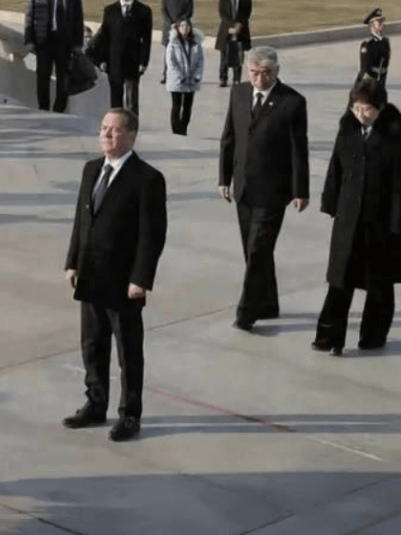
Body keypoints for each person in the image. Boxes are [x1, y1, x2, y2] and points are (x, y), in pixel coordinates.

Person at [63, 108, 167, 443]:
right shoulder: (91, 169)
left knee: (128, 350)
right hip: (91, 276)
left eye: (115, 129)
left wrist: (141, 279)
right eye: (104, 127)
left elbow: (152, 236)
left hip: (124, 282)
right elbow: (82, 221)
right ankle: (95, 404)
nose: (107, 134)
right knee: (92, 345)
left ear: (132, 135)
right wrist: (72, 262)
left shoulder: (147, 179)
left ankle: (130, 414)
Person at [218, 46, 310, 332]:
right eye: (254, 72)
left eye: (265, 73)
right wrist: (224, 178)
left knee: (258, 250)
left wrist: (300, 189)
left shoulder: (292, 102)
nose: (258, 78)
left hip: (273, 190)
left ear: (277, 72)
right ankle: (268, 302)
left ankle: (246, 314)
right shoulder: (239, 93)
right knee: (253, 250)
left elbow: (299, 149)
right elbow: (228, 138)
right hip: (243, 188)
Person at [315, 78, 400, 355]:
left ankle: (373, 336)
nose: (361, 114)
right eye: (356, 107)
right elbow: (335, 169)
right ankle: (329, 336)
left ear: (380, 107)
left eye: (367, 109)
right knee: (339, 280)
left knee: (379, 283)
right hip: (348, 218)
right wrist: (331, 202)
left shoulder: (395, 134)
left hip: (381, 222)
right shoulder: (348, 129)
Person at [23, 0, 84, 113]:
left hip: (64, 40)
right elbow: (30, 14)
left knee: (63, 80)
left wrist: (78, 42)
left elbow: (78, 16)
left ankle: (59, 111)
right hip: (43, 40)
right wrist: (29, 39)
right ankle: (43, 109)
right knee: (42, 78)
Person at [91, 0, 152, 115]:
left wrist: (144, 61)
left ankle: (132, 128)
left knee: (132, 101)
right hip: (114, 61)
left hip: (133, 61)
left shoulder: (143, 11)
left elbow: (146, 39)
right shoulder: (110, 11)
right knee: (115, 99)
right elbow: (105, 37)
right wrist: (103, 59)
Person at [165, 18, 204, 135]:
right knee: (176, 105)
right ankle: (175, 129)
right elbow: (170, 62)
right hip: (177, 80)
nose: (185, 28)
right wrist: (179, 76)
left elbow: (200, 61)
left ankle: (183, 128)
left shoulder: (196, 43)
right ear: (178, 28)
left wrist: (196, 75)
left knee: (187, 106)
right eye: (182, 26)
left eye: (187, 26)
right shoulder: (173, 43)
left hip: (191, 79)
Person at [217, 0, 253, 88]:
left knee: (238, 55)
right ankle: (223, 79)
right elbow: (222, 14)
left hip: (241, 30)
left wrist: (238, 26)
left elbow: (246, 14)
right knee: (224, 56)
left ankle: (237, 79)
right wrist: (231, 26)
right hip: (226, 30)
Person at [159, 0, 194, 84]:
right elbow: (163, 11)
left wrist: (179, 24)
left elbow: (189, 13)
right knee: (168, 54)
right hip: (169, 29)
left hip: (182, 30)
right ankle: (166, 75)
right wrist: (171, 24)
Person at [358, 7, 389, 102]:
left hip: (380, 84)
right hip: (368, 85)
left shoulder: (385, 42)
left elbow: (385, 65)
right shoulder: (367, 45)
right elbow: (365, 69)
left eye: (381, 22)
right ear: (372, 25)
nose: (381, 24)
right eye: (378, 22)